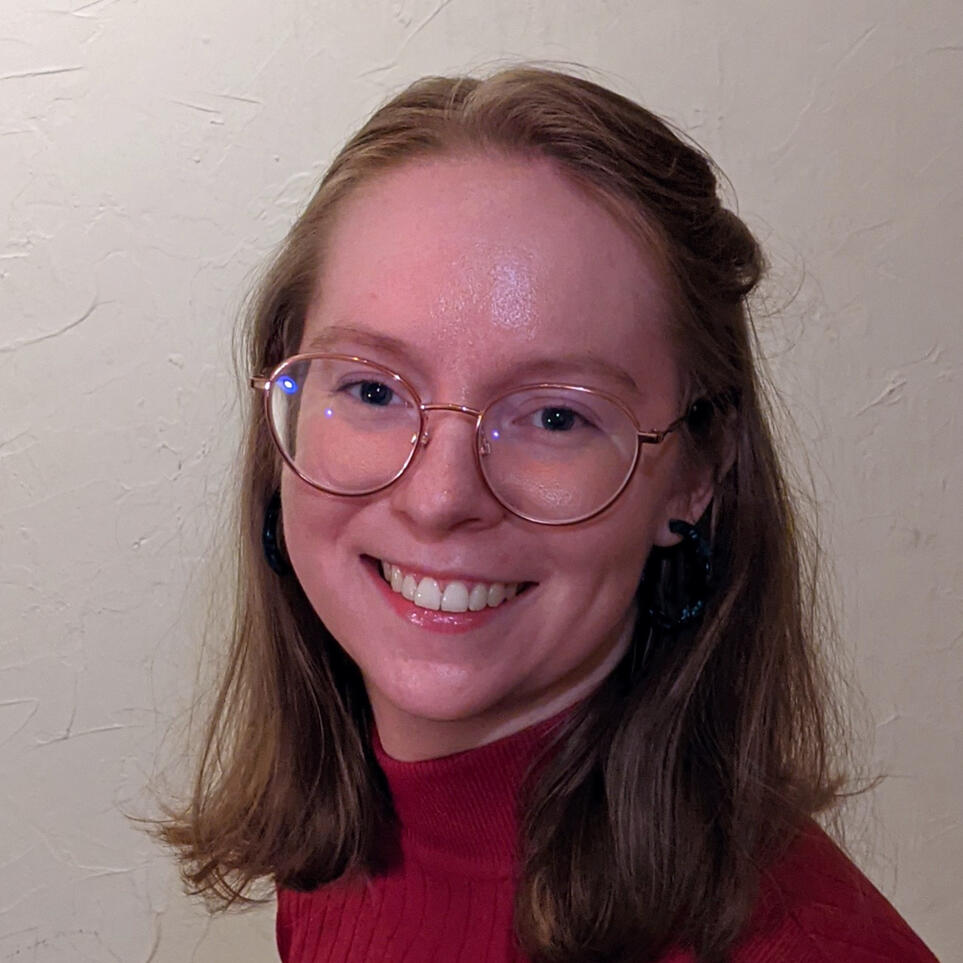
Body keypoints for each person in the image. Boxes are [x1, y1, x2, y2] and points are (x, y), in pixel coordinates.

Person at [158, 67, 940, 962]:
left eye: (556, 415)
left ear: (695, 475)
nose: (441, 497)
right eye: (372, 387)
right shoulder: (350, 836)